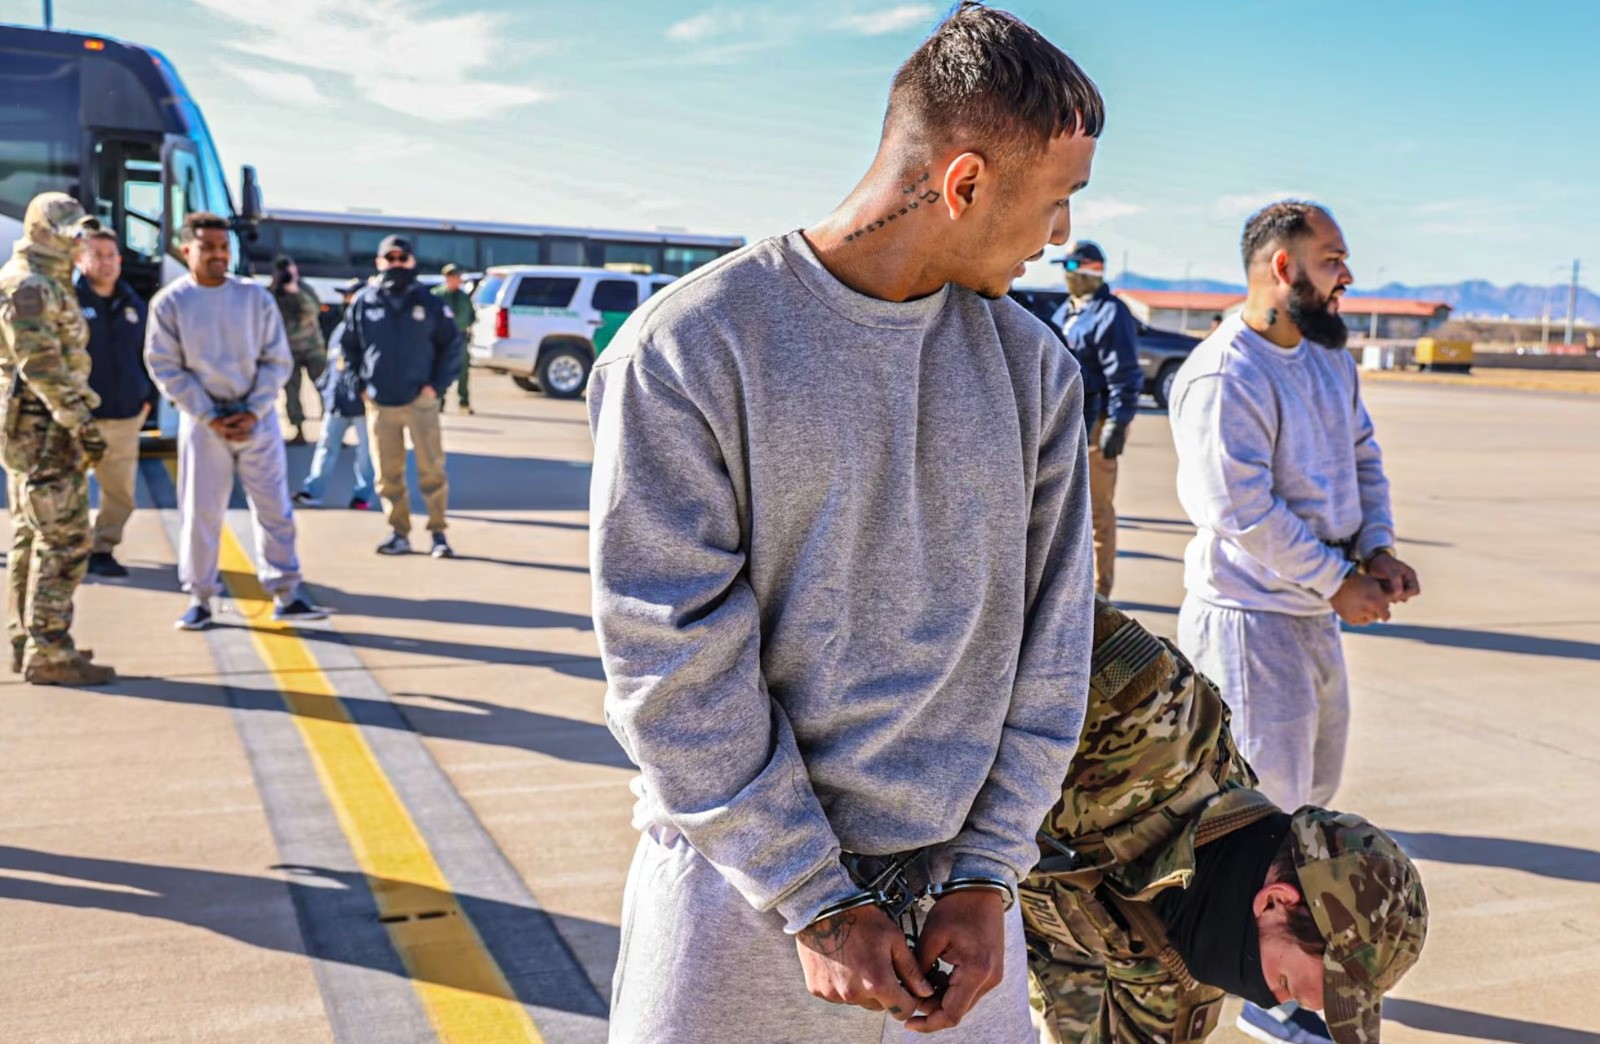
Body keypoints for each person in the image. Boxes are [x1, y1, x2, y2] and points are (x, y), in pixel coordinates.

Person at [589, 5, 1103, 1039]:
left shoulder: (1033, 370)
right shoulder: (694, 347)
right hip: (742, 908)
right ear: (963, 184)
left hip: (963, 922)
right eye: (1057, 203)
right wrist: (814, 896)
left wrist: (991, 872)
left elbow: (1054, 648)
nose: (1060, 238)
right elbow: (667, 659)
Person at [1167, 200, 1420, 1042]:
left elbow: (1362, 457)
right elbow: (1239, 510)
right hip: (1248, 620)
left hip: (1311, 616)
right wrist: (1338, 578)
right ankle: (1263, 988)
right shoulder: (1222, 374)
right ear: (1283, 267)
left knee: (1311, 806)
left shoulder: (1324, 362)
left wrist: (1375, 551)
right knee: (1258, 808)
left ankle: (1306, 968)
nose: (1347, 275)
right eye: (1332, 258)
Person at [1024, 597, 1428, 1044]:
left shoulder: (1183, 974)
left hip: (1020, 936)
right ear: (1274, 901)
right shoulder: (1148, 722)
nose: (1273, 1002)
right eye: (1285, 985)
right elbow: (994, 603)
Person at [146, 212, 326, 630]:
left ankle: (286, 591)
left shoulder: (254, 298)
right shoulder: (171, 303)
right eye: (208, 247)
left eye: (224, 247)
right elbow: (165, 366)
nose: (217, 255)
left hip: (256, 421)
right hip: (204, 425)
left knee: (274, 508)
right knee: (201, 512)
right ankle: (201, 597)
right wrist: (209, 414)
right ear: (186, 249)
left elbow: (277, 359)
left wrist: (254, 408)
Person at [0, 192, 115, 686]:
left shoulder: (44, 279)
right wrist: (82, 424)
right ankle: (48, 650)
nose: (76, 239)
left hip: (36, 429)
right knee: (65, 540)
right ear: (42, 231)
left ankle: (31, 642)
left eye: (78, 230)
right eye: (65, 229)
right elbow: (42, 368)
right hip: (44, 432)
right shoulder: (30, 285)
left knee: (32, 537)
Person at [333, 234, 461, 558]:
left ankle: (438, 535)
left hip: (421, 402)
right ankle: (398, 533)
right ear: (379, 263)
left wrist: (437, 385)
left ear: (412, 262)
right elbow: (347, 347)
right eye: (389, 259)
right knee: (387, 475)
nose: (396, 264)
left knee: (432, 470)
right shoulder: (365, 300)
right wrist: (358, 384)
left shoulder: (430, 302)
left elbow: (452, 347)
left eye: (402, 258)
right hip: (380, 403)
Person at [1050, 240, 1142, 597]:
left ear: (1092, 269)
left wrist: (1119, 421)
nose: (1066, 275)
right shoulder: (1067, 311)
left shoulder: (1110, 313)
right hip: (1068, 424)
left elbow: (1124, 373)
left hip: (1098, 422)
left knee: (1097, 514)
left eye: (1072, 267)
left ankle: (1099, 596)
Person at [75, 227, 154, 579]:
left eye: (111, 256)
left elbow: (151, 356)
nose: (105, 263)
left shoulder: (134, 304)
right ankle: (69, 549)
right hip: (77, 417)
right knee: (66, 492)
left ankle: (102, 548)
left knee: (120, 494)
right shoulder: (68, 302)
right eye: (97, 255)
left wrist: (147, 399)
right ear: (81, 259)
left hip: (125, 416)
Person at [292, 346, 375, 511]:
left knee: (366, 452)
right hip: (337, 403)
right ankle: (313, 492)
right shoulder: (339, 331)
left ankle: (362, 496)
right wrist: (326, 389)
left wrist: (366, 390)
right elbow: (332, 365)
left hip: (362, 405)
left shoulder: (368, 325)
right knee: (326, 447)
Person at [269, 255, 327, 445]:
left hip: (312, 349)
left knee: (325, 389)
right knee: (292, 393)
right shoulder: (272, 293)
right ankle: (298, 429)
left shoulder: (303, 288)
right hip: (288, 352)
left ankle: (331, 430)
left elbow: (313, 310)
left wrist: (295, 290)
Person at [431, 263, 476, 413]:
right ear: (446, 278)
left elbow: (471, 316)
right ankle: (439, 402)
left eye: (457, 277)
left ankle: (464, 402)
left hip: (460, 338)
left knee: (463, 371)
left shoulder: (464, 297)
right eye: (452, 276)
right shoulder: (437, 295)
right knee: (440, 369)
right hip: (441, 340)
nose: (455, 279)